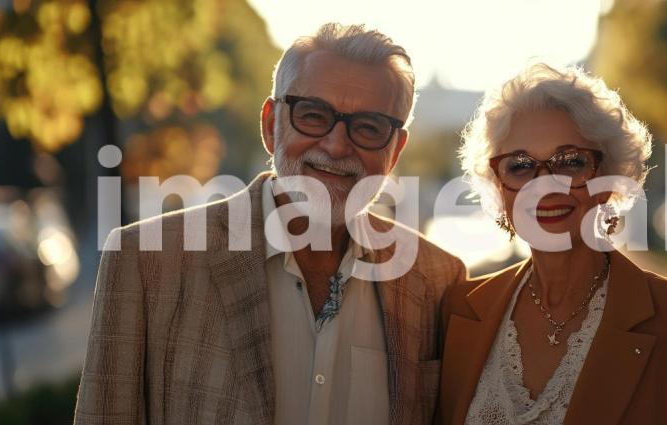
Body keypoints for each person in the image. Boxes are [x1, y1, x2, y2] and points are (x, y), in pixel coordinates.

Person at [74, 23, 466, 425]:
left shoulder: (438, 282)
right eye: (313, 115)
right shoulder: (147, 262)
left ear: (395, 150)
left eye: (368, 127)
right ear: (270, 124)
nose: (336, 146)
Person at [437, 63, 667, 424]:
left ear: (608, 180)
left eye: (570, 162)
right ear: (499, 188)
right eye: (520, 166)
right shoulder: (457, 311)